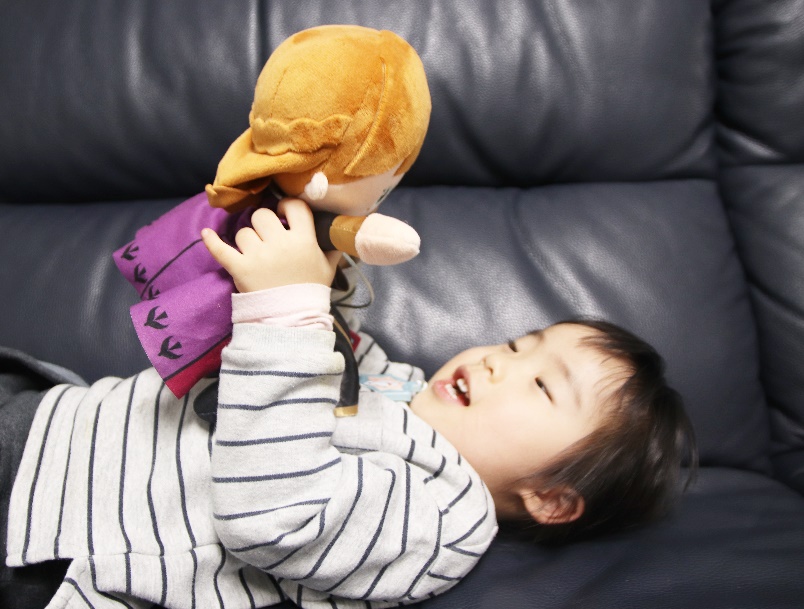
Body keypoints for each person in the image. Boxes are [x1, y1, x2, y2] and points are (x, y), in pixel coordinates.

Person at [3, 199, 697, 609]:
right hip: (61, 415)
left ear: (551, 498)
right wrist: (322, 259)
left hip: (51, 521)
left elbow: (275, 518)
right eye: (518, 344)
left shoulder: (443, 520)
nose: (498, 360)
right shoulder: (397, 382)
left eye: (542, 385)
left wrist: (288, 313)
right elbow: (334, 338)